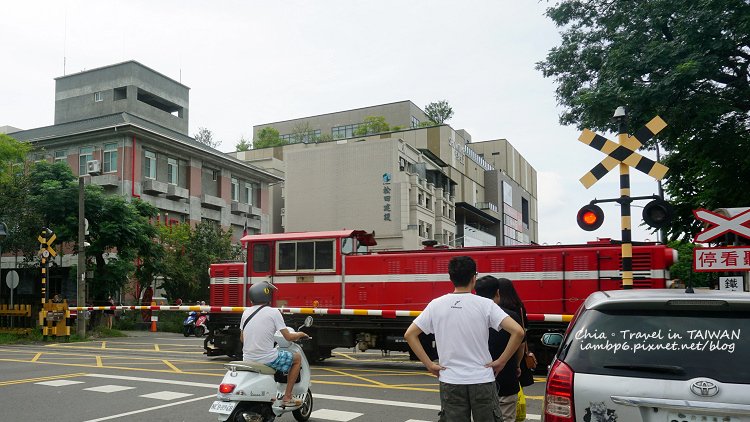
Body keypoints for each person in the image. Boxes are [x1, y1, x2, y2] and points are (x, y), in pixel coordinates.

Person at [404, 256, 524, 422]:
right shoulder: (485, 304)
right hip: (482, 380)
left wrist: (430, 364)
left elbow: (409, 334)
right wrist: (501, 361)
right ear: (474, 277)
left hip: (450, 380)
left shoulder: (436, 305)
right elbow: (518, 332)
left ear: (450, 278)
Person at [240, 281, 309, 407]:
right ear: (267, 296)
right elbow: (288, 336)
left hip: (247, 358)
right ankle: (287, 397)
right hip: (266, 359)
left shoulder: (246, 313)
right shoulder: (274, 312)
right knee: (297, 359)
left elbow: (242, 339)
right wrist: (300, 334)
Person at [475, 276, 526, 421]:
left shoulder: (470, 317)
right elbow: (521, 344)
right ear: (497, 293)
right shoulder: (511, 317)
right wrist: (514, 364)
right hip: (506, 379)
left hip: (477, 382)